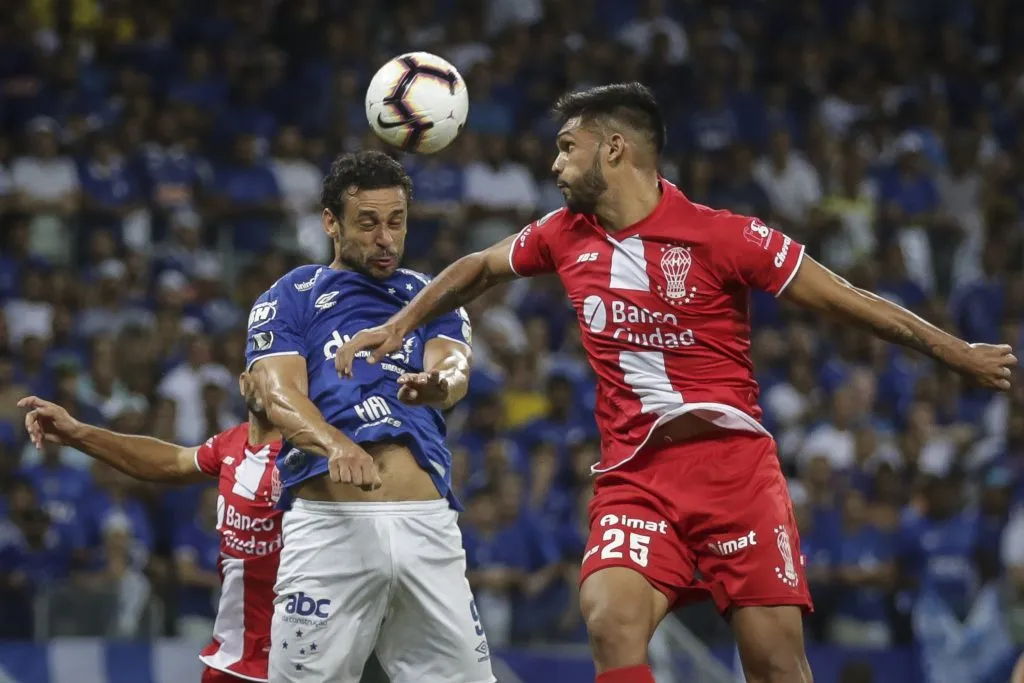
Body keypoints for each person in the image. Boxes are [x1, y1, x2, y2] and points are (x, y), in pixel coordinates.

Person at [334, 83, 1017, 683]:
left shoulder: (724, 236)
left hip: (734, 473)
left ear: (614, 149)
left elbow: (849, 300)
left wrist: (958, 353)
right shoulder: (562, 234)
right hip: (636, 476)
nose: (553, 164)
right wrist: (401, 325)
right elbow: (478, 267)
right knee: (608, 618)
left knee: (777, 665)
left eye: (567, 147)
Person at [242, 150, 492, 683]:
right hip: (332, 529)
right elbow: (279, 395)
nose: (386, 238)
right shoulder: (291, 295)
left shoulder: (429, 296)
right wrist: (335, 444)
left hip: (428, 530)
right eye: (368, 223)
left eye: (396, 222)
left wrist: (437, 384)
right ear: (331, 222)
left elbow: (455, 364)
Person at [17, 373, 283, 683]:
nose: (272, 381)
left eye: (283, 372)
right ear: (244, 382)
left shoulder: (309, 455)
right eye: (262, 369)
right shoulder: (231, 444)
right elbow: (169, 461)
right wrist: (77, 433)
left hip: (293, 653)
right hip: (232, 659)